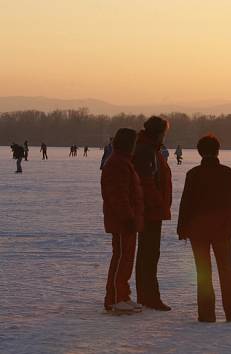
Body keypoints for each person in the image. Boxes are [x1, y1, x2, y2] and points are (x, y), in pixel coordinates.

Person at [177, 134, 231, 323]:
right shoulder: (228, 173)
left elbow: (186, 204)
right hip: (222, 229)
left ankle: (206, 314)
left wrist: (182, 229)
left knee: (203, 272)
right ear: (218, 150)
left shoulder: (193, 174)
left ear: (200, 152)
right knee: (226, 270)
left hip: (198, 231)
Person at [101, 128, 144, 314]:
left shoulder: (123, 161)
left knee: (125, 259)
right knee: (121, 258)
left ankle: (122, 296)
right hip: (122, 220)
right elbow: (118, 195)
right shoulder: (118, 163)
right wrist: (127, 217)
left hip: (126, 219)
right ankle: (117, 298)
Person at [133, 116, 173, 311]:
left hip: (152, 210)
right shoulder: (146, 151)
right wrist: (160, 205)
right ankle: (149, 296)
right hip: (150, 211)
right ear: (158, 133)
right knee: (149, 254)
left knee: (148, 254)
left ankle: (146, 295)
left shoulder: (149, 149)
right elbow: (147, 184)